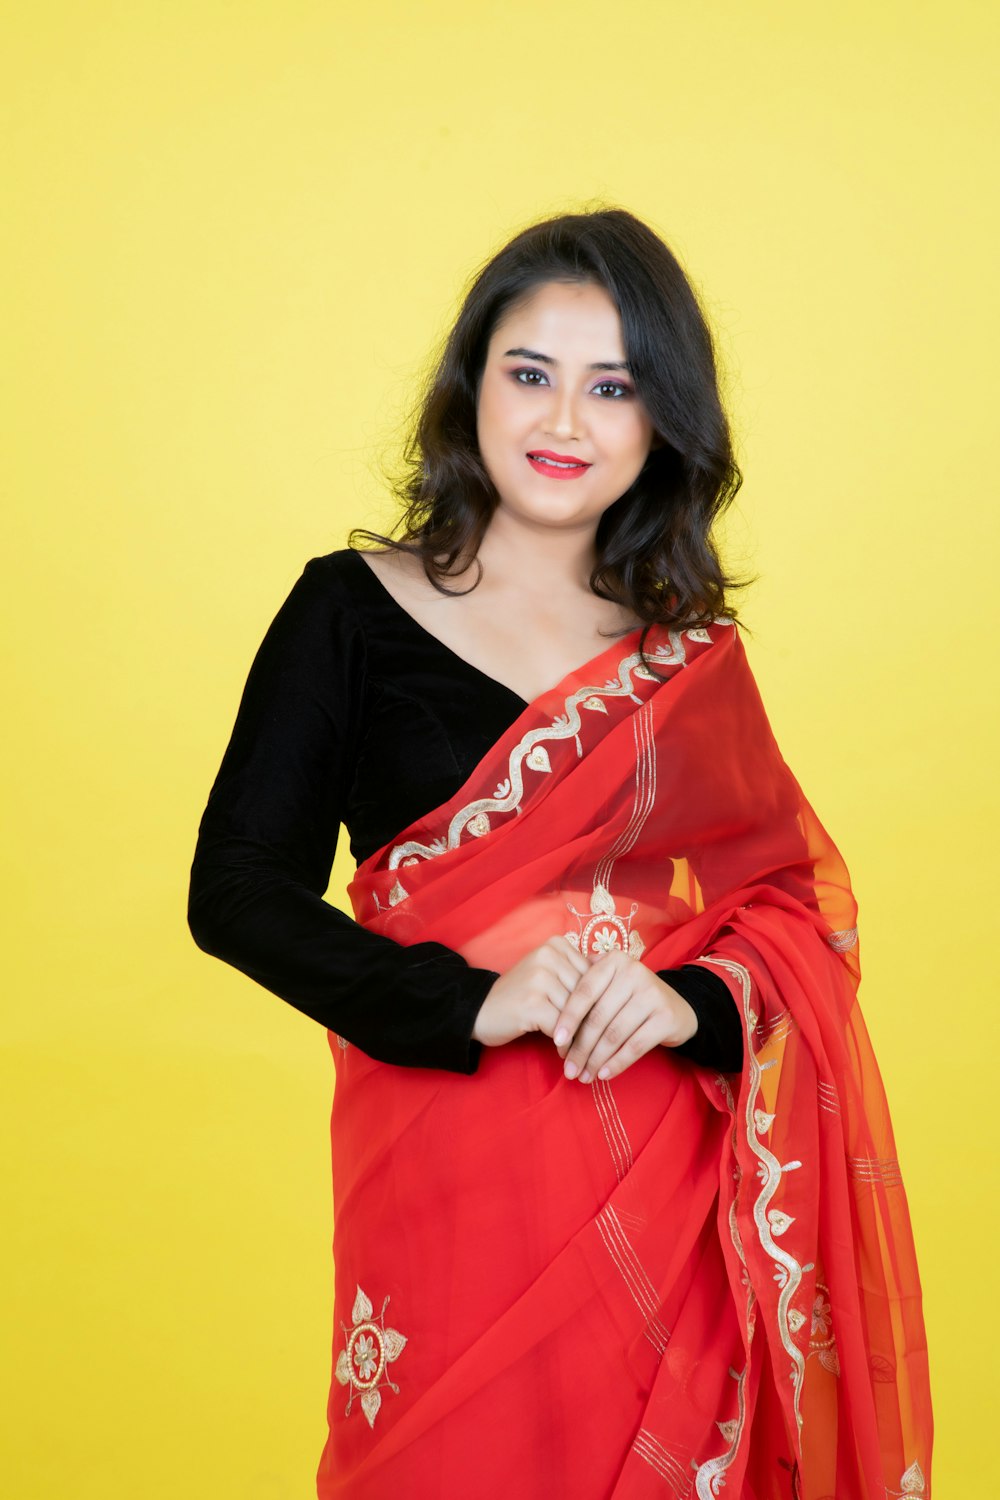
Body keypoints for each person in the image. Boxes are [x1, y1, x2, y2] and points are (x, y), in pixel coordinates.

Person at [187, 208, 933, 1498]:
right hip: (448, 1164)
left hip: (662, 1185)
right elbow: (237, 894)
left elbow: (798, 918)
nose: (565, 423)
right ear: (472, 382)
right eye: (531, 374)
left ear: (662, 426)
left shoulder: (687, 662)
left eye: (614, 388)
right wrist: (466, 1002)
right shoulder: (348, 610)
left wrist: (680, 1001)